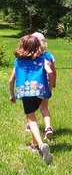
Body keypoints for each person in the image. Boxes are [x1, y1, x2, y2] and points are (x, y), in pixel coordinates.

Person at [8, 34, 53, 164]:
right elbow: (50, 72)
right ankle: (33, 144)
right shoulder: (42, 60)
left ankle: (40, 144)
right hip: (40, 92)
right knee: (34, 115)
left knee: (31, 119)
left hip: (26, 93)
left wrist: (12, 94)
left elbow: (11, 80)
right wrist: (49, 86)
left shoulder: (18, 62)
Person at [25, 32, 56, 140]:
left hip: (33, 85)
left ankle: (29, 124)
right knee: (44, 107)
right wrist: (52, 84)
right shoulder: (48, 55)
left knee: (30, 108)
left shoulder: (28, 56)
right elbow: (53, 71)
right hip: (46, 85)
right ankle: (48, 127)